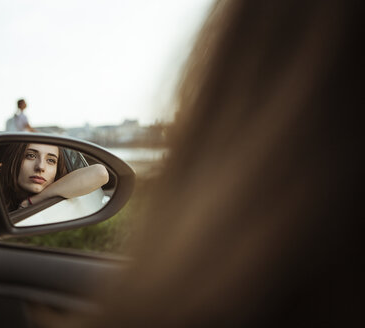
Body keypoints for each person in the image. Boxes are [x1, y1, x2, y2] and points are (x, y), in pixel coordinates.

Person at [51, 0, 363, 327]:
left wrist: (43, 197)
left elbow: (101, 173)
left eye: (49, 159)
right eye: (33, 156)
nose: (43, 168)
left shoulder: (190, 292)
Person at [0, 143, 109, 211]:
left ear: (57, 169)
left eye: (51, 160)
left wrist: (32, 201)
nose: (40, 167)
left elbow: (100, 173)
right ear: (14, 160)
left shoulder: (63, 186)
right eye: (31, 156)